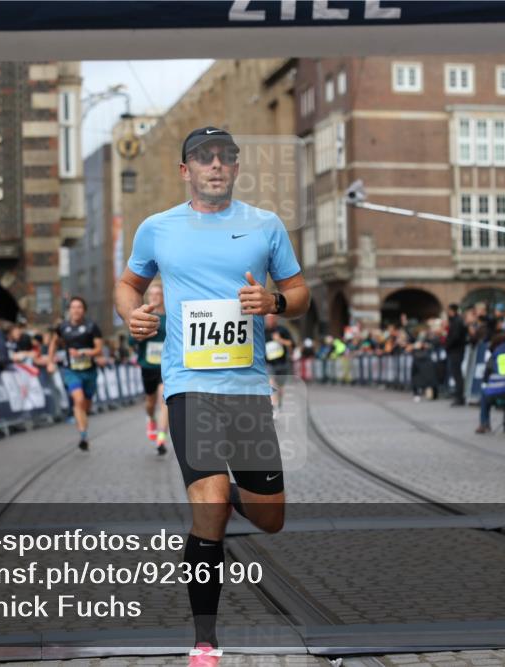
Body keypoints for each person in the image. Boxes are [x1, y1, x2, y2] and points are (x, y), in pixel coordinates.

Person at [114, 126, 309, 667]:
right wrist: (130, 312)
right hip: (188, 385)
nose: (215, 166)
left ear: (237, 167)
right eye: (204, 159)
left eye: (225, 157)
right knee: (211, 505)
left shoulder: (265, 225)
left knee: (270, 517)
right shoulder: (157, 229)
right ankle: (204, 641)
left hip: (247, 388)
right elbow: (127, 283)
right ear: (186, 171)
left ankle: (229, 501)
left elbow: (300, 294)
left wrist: (272, 299)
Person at [47, 297, 104, 451]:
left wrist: (84, 352)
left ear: (84, 310)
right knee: (78, 400)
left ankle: (83, 427)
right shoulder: (62, 327)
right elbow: (53, 343)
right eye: (73, 307)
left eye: (79, 307)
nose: (76, 310)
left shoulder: (92, 327)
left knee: (86, 405)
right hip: (71, 370)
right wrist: (50, 361)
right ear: (69, 310)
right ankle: (83, 435)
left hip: (89, 371)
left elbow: (99, 349)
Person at [136, 282, 169, 455]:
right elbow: (131, 340)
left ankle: (161, 439)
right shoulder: (143, 316)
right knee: (150, 402)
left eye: (158, 294)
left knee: (164, 399)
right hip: (148, 365)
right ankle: (150, 417)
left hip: (166, 367)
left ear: (163, 297)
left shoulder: (170, 317)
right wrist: (139, 336)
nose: (155, 296)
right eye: (152, 294)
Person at [263, 313, 295, 415]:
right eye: (267, 319)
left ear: (275, 318)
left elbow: (291, 344)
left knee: (280, 387)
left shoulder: (282, 330)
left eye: (271, 318)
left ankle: (278, 404)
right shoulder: (263, 332)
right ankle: (274, 406)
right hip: (268, 363)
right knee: (271, 382)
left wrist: (280, 340)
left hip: (282, 363)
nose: (269, 321)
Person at [444, 304, 467, 406]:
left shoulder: (457, 321)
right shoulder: (456, 321)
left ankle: (459, 397)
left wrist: (447, 345)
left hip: (456, 351)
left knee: (457, 374)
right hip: (456, 350)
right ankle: (458, 396)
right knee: (456, 374)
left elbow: (455, 337)